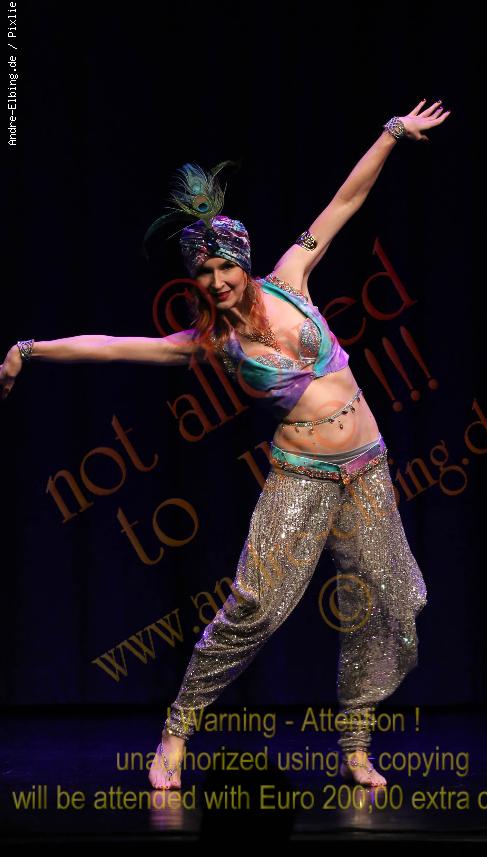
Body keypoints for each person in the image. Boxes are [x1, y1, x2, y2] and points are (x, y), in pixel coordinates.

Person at [1, 99, 451, 791]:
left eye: (224, 269)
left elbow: (345, 200)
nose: (216, 283)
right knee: (255, 607)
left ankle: (356, 744)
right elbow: (115, 346)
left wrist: (392, 133)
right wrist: (30, 349)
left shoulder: (291, 279)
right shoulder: (209, 345)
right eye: (204, 275)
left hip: (367, 466)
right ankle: (176, 732)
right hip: (302, 476)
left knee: (389, 599)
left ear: (242, 262)